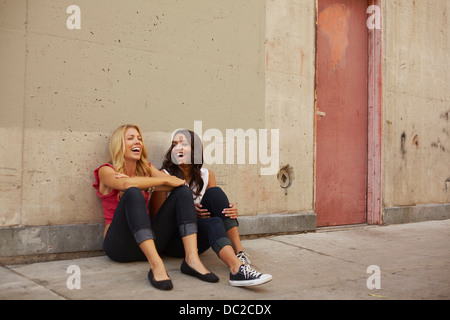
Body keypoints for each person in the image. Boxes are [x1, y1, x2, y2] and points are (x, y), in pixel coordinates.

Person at [93, 124, 218, 291]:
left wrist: (153, 182)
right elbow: (126, 184)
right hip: (119, 247)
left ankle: (192, 259)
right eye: (130, 138)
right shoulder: (106, 171)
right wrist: (162, 181)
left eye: (139, 138)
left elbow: (177, 184)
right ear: (119, 144)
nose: (137, 142)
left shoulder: (146, 169)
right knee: (133, 192)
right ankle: (157, 265)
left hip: (150, 242)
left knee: (182, 192)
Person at [150, 129, 272, 287]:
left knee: (215, 199)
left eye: (183, 144)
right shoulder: (164, 175)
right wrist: (186, 211)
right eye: (174, 145)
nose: (178, 148)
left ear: (196, 150)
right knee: (185, 195)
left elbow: (215, 208)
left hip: (197, 242)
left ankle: (238, 260)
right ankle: (237, 267)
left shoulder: (207, 175)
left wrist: (230, 211)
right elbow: (157, 219)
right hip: (173, 242)